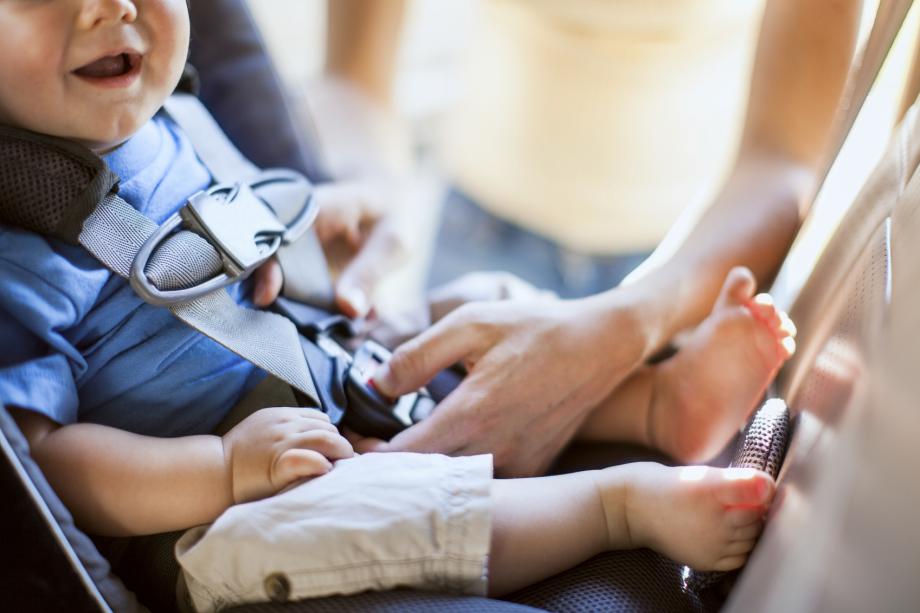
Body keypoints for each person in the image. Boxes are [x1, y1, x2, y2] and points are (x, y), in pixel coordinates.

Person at [0, 0, 794, 607]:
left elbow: (244, 218)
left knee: (473, 308)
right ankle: (614, 507)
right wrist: (222, 469)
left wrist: (311, 218)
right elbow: (47, 463)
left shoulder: (175, 118)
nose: (112, 7)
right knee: (365, 510)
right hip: (216, 510)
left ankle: (656, 402)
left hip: (320, 364)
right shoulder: (18, 252)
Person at [324, 0, 862, 475]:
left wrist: (629, 322)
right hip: (480, 239)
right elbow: (352, 80)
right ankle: (660, 402)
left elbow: (783, 161)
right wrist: (364, 184)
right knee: (430, 408)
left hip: (691, 271)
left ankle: (662, 401)